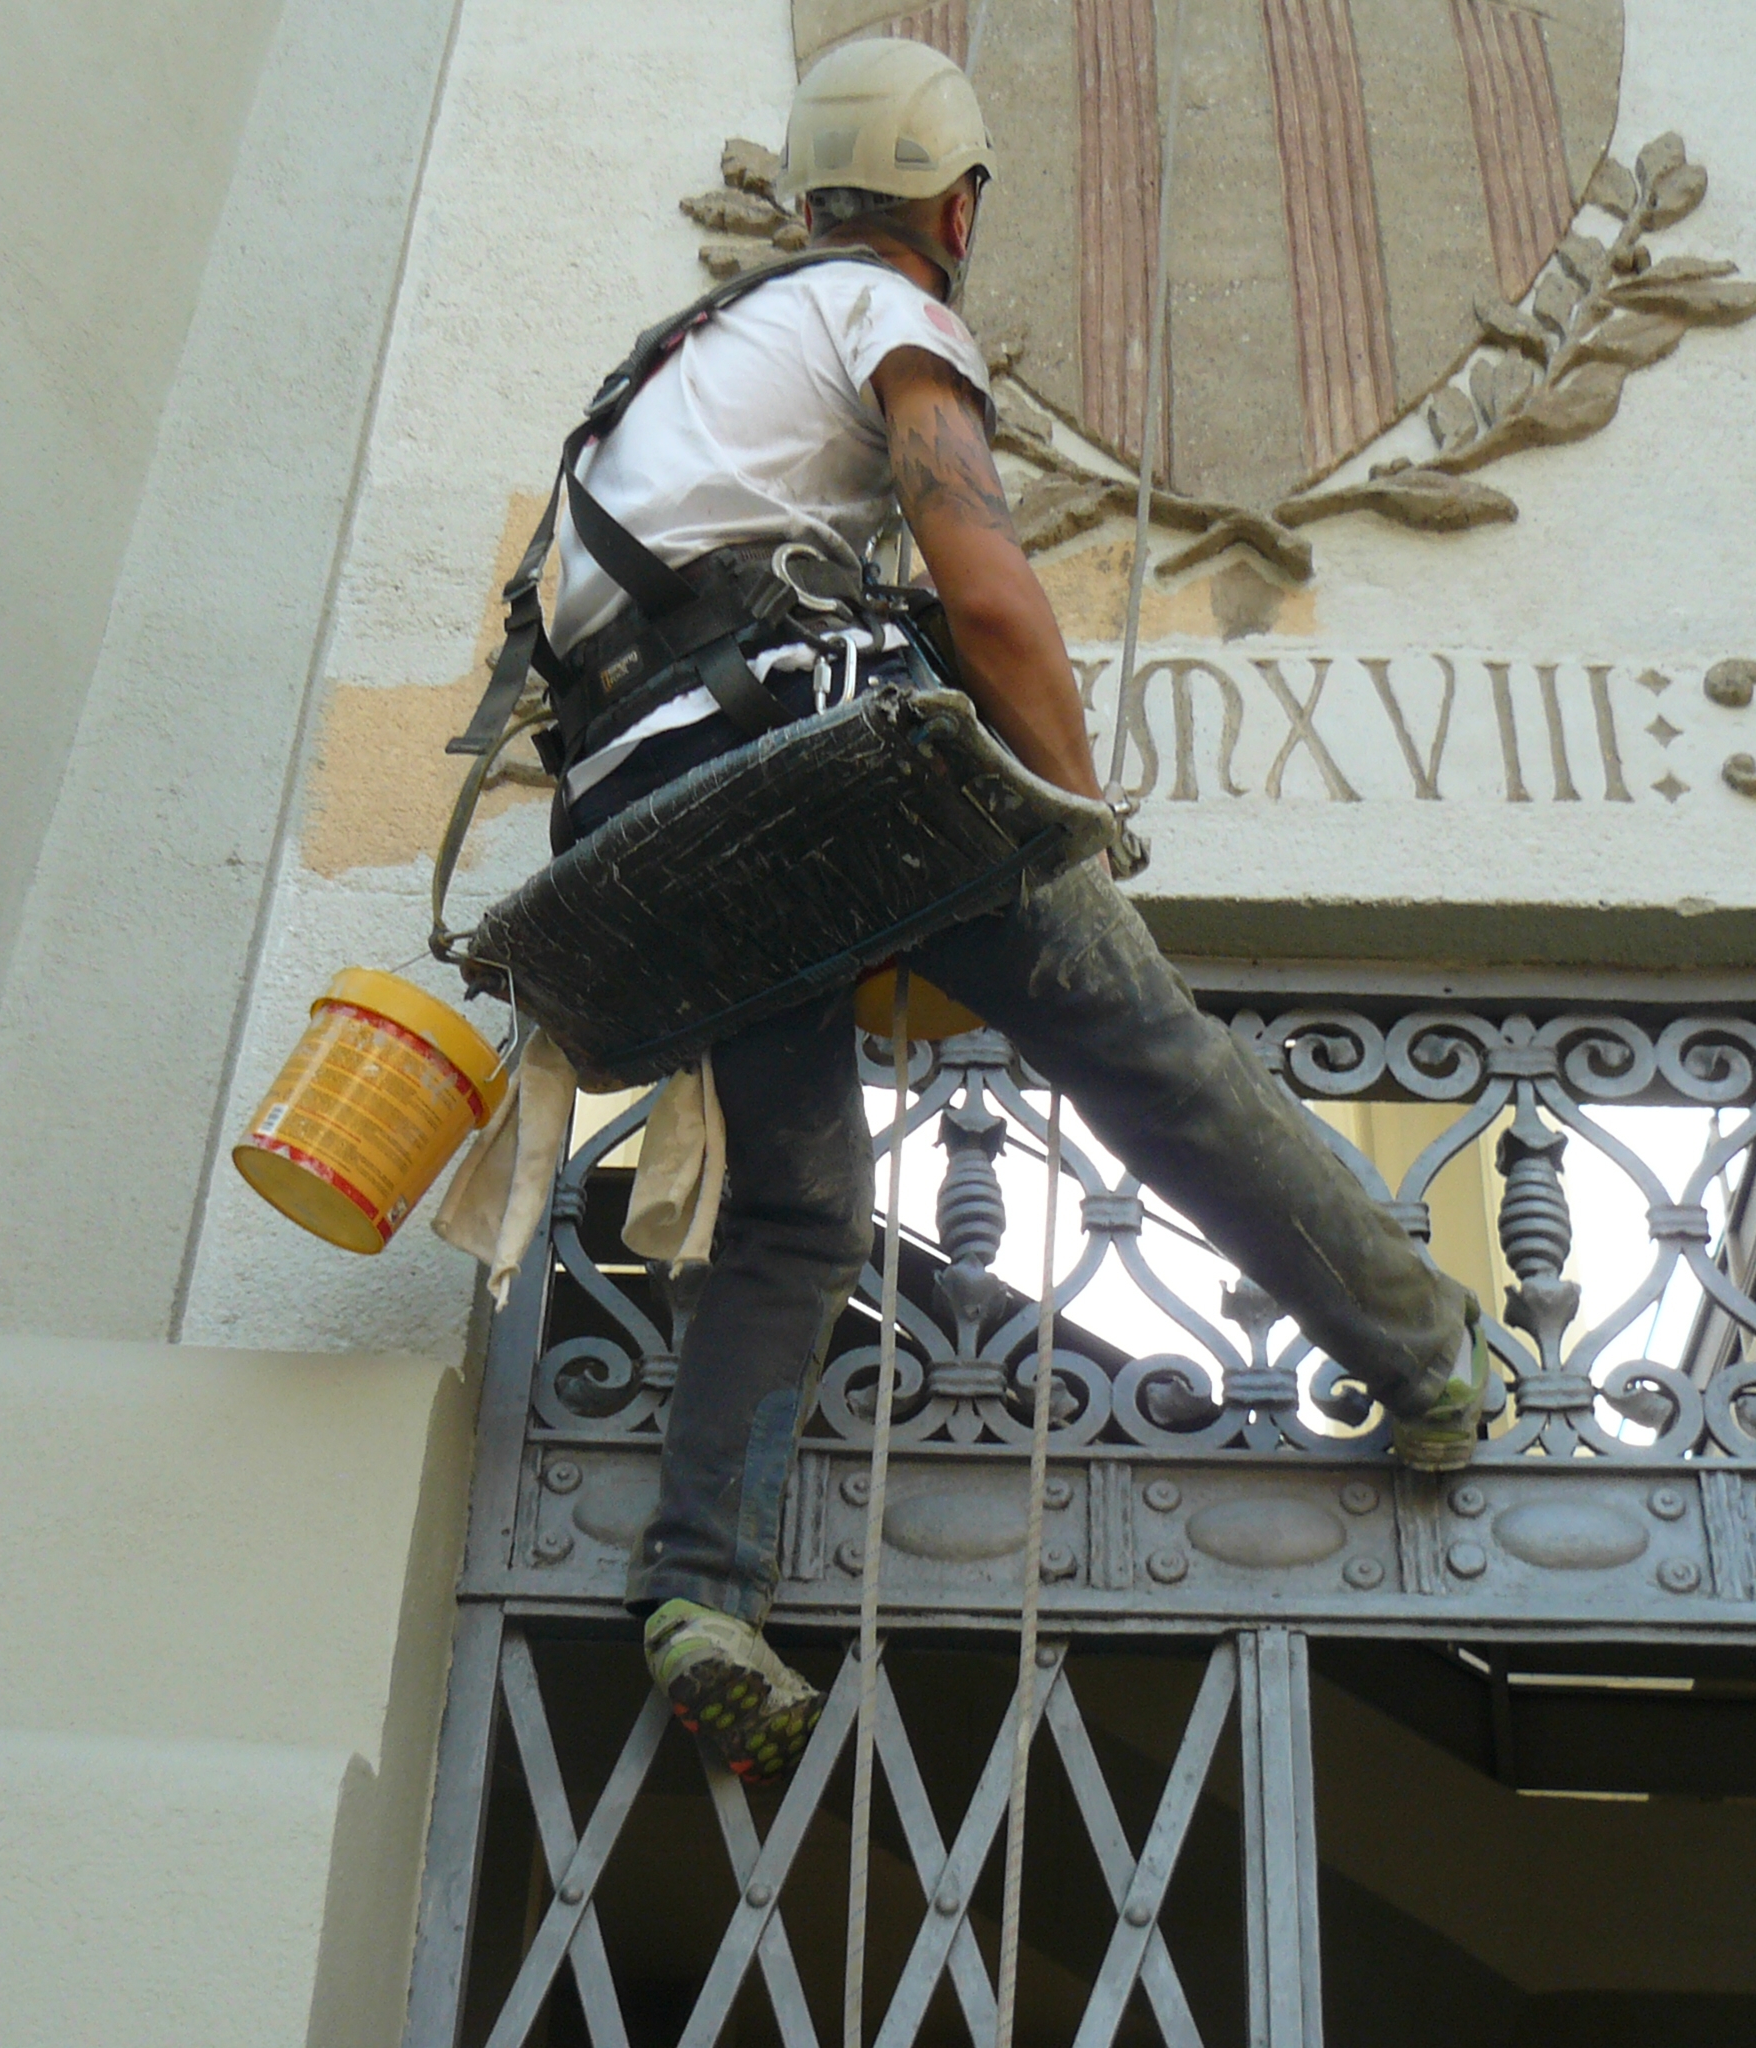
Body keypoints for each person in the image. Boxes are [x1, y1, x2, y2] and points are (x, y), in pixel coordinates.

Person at [535, 38, 1490, 1786]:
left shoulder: (671, 366)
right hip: (800, 761)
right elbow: (987, 596)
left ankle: (700, 1597)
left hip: (639, 808)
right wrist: (1072, 809)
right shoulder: (885, 318)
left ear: (813, 187)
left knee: (796, 1208)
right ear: (953, 203)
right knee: (1145, 1054)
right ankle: (1431, 1365)